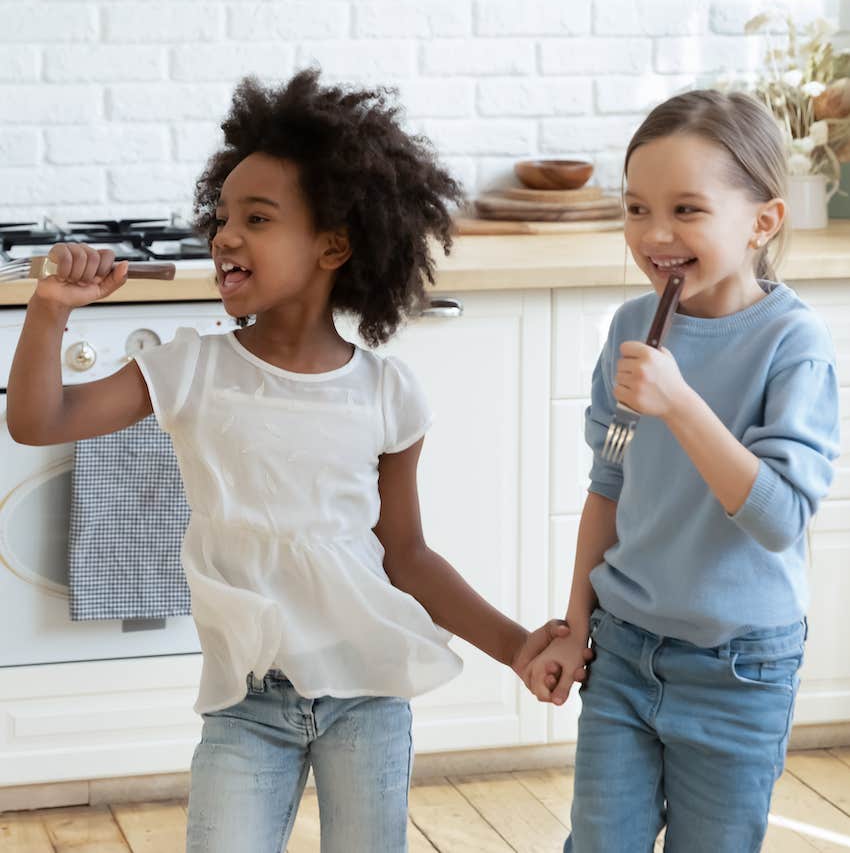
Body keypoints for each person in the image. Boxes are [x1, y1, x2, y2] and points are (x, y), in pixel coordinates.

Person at [7, 70, 583, 853]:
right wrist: (48, 312)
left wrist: (517, 646)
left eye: (257, 218)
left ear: (333, 245)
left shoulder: (387, 394)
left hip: (367, 693)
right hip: (248, 702)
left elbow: (407, 556)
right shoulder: (188, 368)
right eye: (222, 217)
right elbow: (40, 421)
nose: (225, 236)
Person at [527, 89, 841, 852]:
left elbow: (778, 517)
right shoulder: (632, 327)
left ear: (763, 221)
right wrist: (576, 626)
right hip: (626, 648)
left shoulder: (794, 345)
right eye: (636, 209)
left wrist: (681, 402)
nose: (655, 234)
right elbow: (608, 487)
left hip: (741, 671)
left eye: (687, 210)